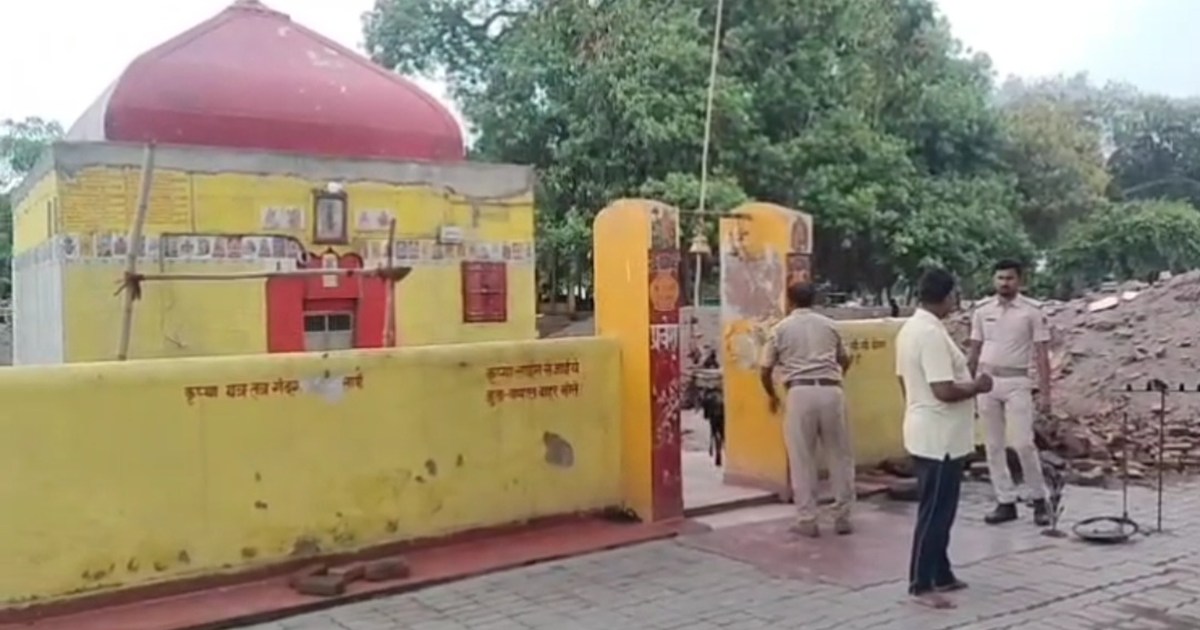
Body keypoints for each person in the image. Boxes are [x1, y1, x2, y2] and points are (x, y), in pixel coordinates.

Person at [895, 268, 992, 609]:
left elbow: (904, 382)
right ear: (947, 295)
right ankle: (920, 584)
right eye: (955, 294)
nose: (956, 300)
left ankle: (941, 571)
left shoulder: (912, 328)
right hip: (939, 438)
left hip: (931, 431)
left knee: (942, 509)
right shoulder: (930, 334)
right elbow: (944, 390)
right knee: (935, 511)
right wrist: (977, 387)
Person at [760, 281, 854, 537]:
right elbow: (845, 358)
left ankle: (807, 519)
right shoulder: (830, 325)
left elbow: (765, 369)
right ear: (814, 299)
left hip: (799, 392)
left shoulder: (780, 329)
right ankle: (842, 516)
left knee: (802, 458)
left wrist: (772, 395)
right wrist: (836, 378)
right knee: (840, 456)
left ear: (789, 301)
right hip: (832, 390)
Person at [967, 259, 1052, 527]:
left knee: (1023, 444)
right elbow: (974, 349)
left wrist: (1047, 394)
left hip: (1017, 381)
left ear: (1020, 281)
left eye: (1010, 278)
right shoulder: (982, 310)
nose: (1004, 283)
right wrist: (967, 385)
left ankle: (1040, 499)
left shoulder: (1032, 311)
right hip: (986, 381)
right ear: (994, 280)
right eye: (1000, 278)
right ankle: (1005, 501)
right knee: (993, 446)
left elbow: (1041, 356)